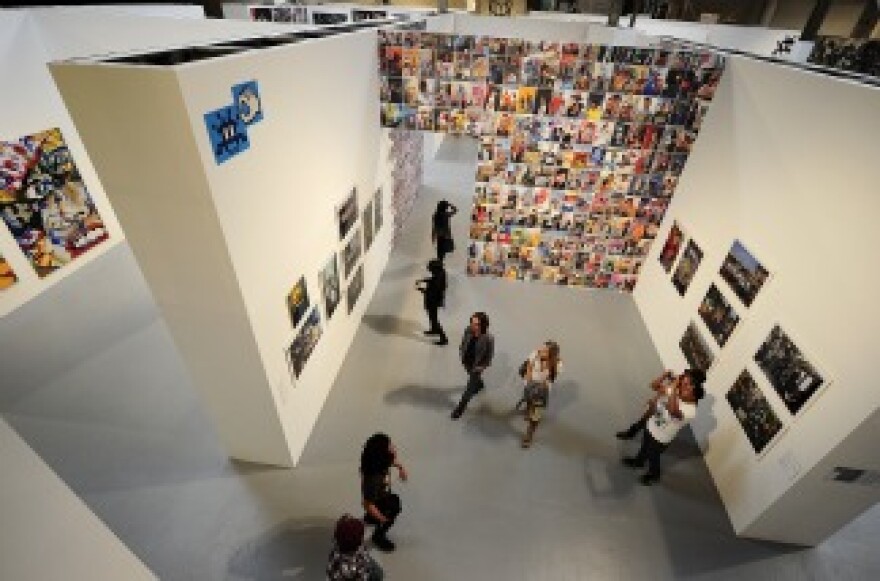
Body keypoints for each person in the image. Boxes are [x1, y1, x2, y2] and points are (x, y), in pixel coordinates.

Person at [618, 368, 706, 486]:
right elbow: (655, 386)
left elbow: (672, 411)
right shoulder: (678, 392)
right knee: (644, 447)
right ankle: (638, 462)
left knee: (653, 456)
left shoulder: (690, 411)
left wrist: (674, 389)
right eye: (683, 383)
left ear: (693, 391)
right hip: (652, 425)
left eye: (686, 387)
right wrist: (665, 376)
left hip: (661, 438)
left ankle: (654, 474)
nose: (683, 389)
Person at [360, 433, 407, 552]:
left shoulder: (383, 462)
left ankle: (371, 519)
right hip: (376, 501)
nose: (394, 447)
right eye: (390, 446)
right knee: (393, 508)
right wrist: (383, 519)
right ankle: (378, 536)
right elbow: (367, 504)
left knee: (394, 503)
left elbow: (393, 462)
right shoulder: (373, 478)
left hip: (382, 495)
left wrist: (401, 468)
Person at [517, 341, 561, 448]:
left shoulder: (557, 364)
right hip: (531, 384)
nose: (541, 351)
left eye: (545, 350)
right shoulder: (535, 354)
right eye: (543, 348)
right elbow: (528, 368)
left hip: (542, 391)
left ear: (551, 354)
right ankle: (528, 408)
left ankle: (529, 435)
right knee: (529, 400)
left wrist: (543, 384)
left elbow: (551, 380)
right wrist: (528, 381)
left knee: (536, 415)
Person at [451, 312, 494, 419]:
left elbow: (489, 356)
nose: (473, 326)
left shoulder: (488, 338)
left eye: (477, 324)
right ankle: (479, 384)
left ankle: (460, 408)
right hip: (466, 361)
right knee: (473, 377)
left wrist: (483, 366)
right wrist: (461, 350)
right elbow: (464, 341)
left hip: (477, 366)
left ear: (484, 325)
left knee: (468, 390)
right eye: (472, 323)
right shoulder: (468, 330)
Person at [327, 514, 384, 580]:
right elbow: (362, 577)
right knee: (379, 574)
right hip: (356, 571)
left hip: (347, 566)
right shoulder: (354, 565)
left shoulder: (338, 542)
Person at [416, 259, 447, 345]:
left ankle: (443, 338)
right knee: (432, 316)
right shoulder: (441, 273)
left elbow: (431, 291)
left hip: (433, 300)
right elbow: (433, 280)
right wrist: (423, 280)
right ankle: (433, 329)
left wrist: (421, 289)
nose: (430, 270)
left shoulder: (437, 277)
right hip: (435, 299)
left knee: (434, 318)